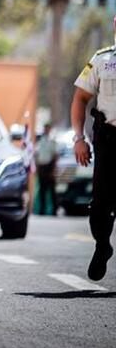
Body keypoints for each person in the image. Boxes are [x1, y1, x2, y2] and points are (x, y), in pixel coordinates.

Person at [70, 15, 116, 281]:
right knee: (100, 205)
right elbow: (80, 99)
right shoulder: (102, 60)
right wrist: (79, 138)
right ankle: (103, 244)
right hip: (109, 139)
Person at [33, 123, 58, 216]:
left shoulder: (52, 141)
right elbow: (36, 154)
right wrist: (37, 167)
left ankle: (55, 210)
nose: (46, 130)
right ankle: (42, 210)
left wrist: (53, 169)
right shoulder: (40, 140)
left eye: (48, 128)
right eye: (45, 128)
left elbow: (55, 156)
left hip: (49, 166)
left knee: (51, 190)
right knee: (42, 189)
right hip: (41, 166)